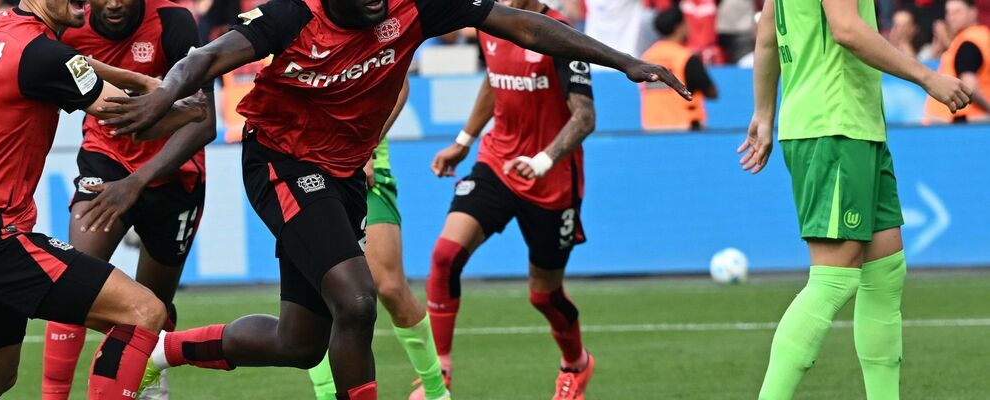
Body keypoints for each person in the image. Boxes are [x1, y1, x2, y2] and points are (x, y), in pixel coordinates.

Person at [99, 0, 691, 398]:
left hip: (346, 172)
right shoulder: (288, 15)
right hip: (279, 159)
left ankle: (163, 350)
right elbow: (206, 57)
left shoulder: (415, 2)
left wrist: (624, 60)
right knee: (358, 300)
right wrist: (165, 95)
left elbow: (521, 24)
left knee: (300, 343)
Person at [0, 0, 209, 398]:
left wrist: (141, 80)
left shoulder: (4, 27)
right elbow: (129, 121)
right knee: (146, 312)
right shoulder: (43, 54)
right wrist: (188, 111)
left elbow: (76, 63)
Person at [739, 0, 971, 396]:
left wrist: (764, 112)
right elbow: (846, 29)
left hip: (855, 126)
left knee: (885, 274)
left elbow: (766, 35)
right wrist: (926, 77)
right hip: (835, 126)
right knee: (833, 280)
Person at [39, 0, 214, 398]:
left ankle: (151, 378)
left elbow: (205, 121)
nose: (115, 3)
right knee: (73, 279)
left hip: (174, 177)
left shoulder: (172, 22)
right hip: (106, 161)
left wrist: (137, 182)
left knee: (153, 306)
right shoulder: (69, 26)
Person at [425, 1, 597, 398]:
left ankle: (576, 364)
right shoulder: (489, 22)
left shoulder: (559, 33)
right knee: (444, 256)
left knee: (543, 294)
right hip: (497, 163)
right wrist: (463, 141)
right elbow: (494, 77)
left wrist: (542, 161)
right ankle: (438, 376)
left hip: (551, 180)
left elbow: (585, 117)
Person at [303, 78, 452, 400]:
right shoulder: (283, 30)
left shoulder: (361, 27)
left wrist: (365, 145)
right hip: (302, 171)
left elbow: (399, 84)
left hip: (365, 169)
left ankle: (437, 392)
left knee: (389, 286)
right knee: (317, 295)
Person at [640, 7, 717, 131]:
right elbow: (711, 92)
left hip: (651, 127)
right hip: (685, 127)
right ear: (678, 27)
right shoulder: (685, 57)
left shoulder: (646, 57)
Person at [925, 0, 990, 123]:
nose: (951, 17)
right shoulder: (979, 37)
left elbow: (970, 86)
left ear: (973, 12)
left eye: (957, 12)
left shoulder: (969, 42)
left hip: (961, 123)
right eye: (948, 12)